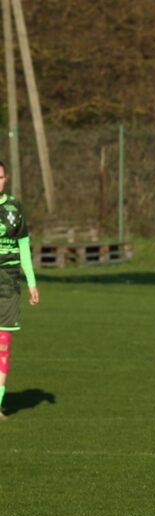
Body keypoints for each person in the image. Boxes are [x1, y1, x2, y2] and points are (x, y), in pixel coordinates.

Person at [0, 160, 39, 420]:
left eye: (0, 177)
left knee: (3, 344)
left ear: (6, 178)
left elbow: (23, 246)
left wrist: (32, 282)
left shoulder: (15, 208)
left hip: (9, 282)